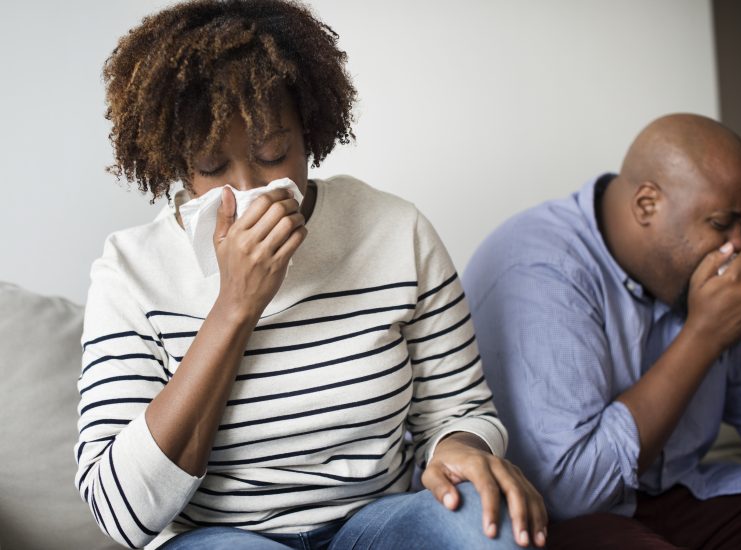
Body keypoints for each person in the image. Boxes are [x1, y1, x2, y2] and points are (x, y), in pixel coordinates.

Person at [74, 1, 547, 549]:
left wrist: (460, 448)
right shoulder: (130, 272)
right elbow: (121, 513)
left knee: (494, 528)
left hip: (376, 524)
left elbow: (459, 408)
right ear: (175, 161)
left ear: (309, 132)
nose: (250, 189)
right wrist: (235, 307)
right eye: (211, 167)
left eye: (274, 153)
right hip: (225, 538)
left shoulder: (396, 231)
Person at [463, 113, 741, 549]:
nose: (739, 246)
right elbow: (572, 492)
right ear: (647, 204)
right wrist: (703, 336)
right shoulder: (542, 268)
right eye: (722, 223)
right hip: (560, 516)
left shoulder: (711, 274)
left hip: (679, 491)